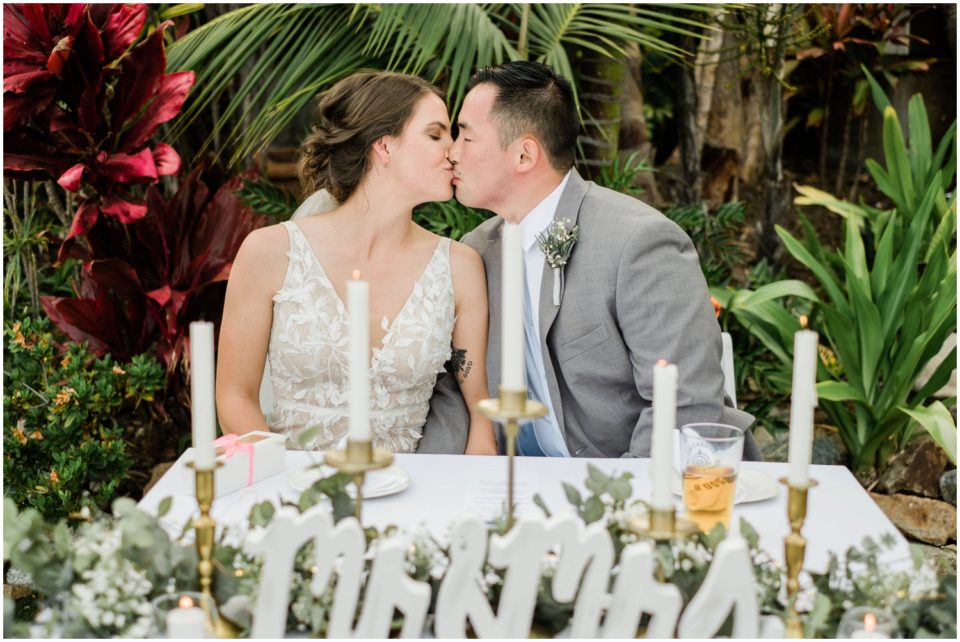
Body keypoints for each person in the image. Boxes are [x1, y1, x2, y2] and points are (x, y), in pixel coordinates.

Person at [440, 60, 761, 459]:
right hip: (511, 484)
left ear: (524, 155)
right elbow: (456, 386)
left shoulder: (640, 243)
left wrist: (608, 505)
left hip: (636, 487)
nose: (451, 152)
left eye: (466, 138)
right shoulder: (475, 251)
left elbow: (684, 407)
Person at [216, 71, 496, 455]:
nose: (453, 150)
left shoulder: (460, 267)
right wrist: (283, 483)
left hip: (411, 497)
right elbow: (235, 395)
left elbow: (481, 411)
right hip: (293, 492)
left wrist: (478, 498)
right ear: (384, 146)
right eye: (435, 135)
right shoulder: (269, 253)